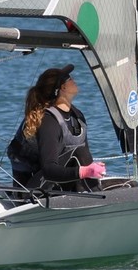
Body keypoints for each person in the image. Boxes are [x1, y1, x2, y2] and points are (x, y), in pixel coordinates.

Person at [6, 64, 105, 192]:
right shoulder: (49, 122)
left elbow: (83, 158)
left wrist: (91, 169)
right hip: (33, 191)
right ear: (62, 88)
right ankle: (97, 198)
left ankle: (93, 193)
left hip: (61, 185)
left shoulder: (77, 116)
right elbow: (49, 170)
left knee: (128, 184)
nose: (73, 79)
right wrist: (85, 171)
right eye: (69, 78)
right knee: (80, 152)